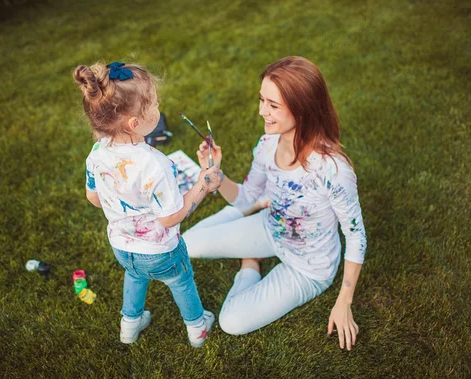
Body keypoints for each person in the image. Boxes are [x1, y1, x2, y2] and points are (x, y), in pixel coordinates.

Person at [182, 56, 367, 351]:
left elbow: (356, 237)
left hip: (308, 268)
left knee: (231, 322)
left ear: (302, 108)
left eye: (273, 105)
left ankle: (250, 264)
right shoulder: (267, 145)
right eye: (261, 100)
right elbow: (246, 197)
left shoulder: (333, 169)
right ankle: (253, 232)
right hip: (270, 227)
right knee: (186, 245)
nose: (261, 111)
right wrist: (214, 173)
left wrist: (344, 302)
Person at [73, 61, 224, 347]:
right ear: (135, 123)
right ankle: (197, 329)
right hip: (160, 251)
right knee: (181, 280)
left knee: (134, 275)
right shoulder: (156, 164)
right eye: (154, 103)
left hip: (121, 246)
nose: (158, 107)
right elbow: (170, 218)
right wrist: (204, 184)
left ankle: (129, 327)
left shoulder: (96, 152)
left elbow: (93, 198)